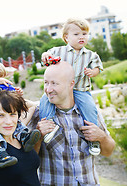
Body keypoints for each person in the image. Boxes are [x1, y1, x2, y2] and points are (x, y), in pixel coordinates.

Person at [28, 61, 115, 186]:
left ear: (71, 84)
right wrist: (37, 135)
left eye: (54, 83)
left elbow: (108, 150)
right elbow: (28, 161)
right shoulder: (39, 115)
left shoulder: (89, 112)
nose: (48, 89)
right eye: (46, 82)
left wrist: (102, 137)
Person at [41, 17, 103, 155]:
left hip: (80, 89)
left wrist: (93, 72)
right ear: (66, 37)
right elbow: (47, 55)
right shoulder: (59, 51)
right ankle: (49, 127)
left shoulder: (91, 55)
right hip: (60, 89)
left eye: (84, 34)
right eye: (76, 34)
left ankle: (93, 139)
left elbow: (98, 68)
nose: (81, 37)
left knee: (90, 108)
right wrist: (45, 55)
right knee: (45, 101)